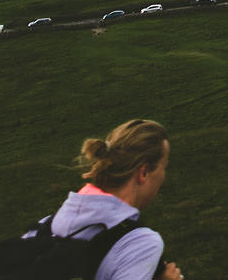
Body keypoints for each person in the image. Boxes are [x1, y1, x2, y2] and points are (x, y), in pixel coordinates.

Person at [34, 118, 182, 280]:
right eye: (164, 166)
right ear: (144, 172)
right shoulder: (139, 244)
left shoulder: (45, 226)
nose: (163, 176)